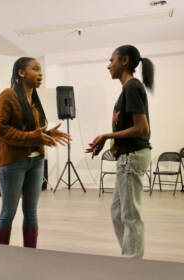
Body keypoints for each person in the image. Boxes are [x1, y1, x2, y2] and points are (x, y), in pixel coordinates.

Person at [0, 57, 70, 248]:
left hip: (36, 162)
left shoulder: (33, 101)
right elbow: (0, 129)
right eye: (35, 69)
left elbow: (31, 132)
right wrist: (33, 137)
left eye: (41, 69)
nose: (40, 73)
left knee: (31, 211)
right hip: (13, 162)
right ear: (21, 73)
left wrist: (47, 133)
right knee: (8, 212)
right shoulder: (8, 95)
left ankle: (30, 255)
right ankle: (2, 254)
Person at [86, 45, 154, 258]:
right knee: (118, 213)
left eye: (112, 60)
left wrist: (107, 136)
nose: (109, 65)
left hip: (132, 157)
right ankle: (129, 254)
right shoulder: (128, 88)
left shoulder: (132, 87)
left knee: (130, 215)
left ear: (124, 61)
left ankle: (132, 263)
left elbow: (142, 129)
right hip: (128, 157)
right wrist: (108, 141)